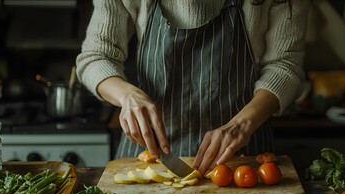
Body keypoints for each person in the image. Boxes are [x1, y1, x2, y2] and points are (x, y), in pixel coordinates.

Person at [76, 0, 310, 175]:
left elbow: (285, 64)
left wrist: (242, 124)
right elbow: (96, 57)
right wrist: (127, 95)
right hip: (150, 156)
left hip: (240, 157)